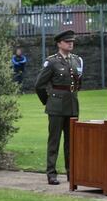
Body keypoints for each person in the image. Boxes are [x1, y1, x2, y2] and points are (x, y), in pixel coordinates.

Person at [35, 30, 83, 185]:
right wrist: (48, 102)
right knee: (54, 141)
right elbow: (39, 85)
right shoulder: (52, 62)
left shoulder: (76, 60)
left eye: (72, 41)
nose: (70, 43)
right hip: (56, 107)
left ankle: (72, 173)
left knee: (71, 143)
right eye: (67, 41)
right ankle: (51, 174)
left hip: (72, 105)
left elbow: (78, 83)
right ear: (59, 43)